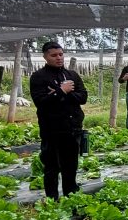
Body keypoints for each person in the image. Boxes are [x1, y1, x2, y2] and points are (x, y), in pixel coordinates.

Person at [29, 41, 88, 200]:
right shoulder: (38, 77)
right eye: (54, 55)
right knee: (52, 167)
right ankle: (52, 201)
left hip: (72, 128)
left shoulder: (72, 75)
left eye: (61, 54)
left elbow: (83, 97)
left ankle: (71, 197)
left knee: (71, 166)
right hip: (51, 130)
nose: (58, 58)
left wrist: (62, 93)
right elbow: (41, 102)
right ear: (45, 57)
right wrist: (62, 91)